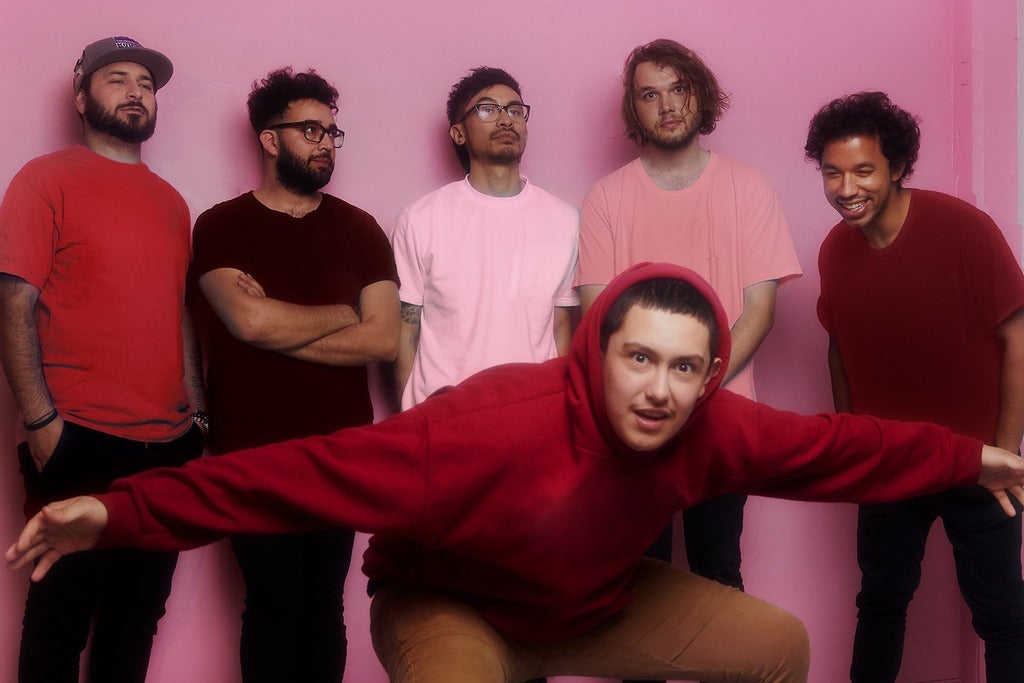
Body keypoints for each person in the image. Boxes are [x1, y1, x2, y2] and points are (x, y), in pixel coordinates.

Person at [10, 262, 1024, 683]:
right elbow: (287, 475)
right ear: (595, 350)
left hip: (593, 603)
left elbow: (843, 447)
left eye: (684, 366)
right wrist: (119, 506)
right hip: (455, 604)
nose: (661, 389)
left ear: (707, 375)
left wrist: (967, 453)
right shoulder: (489, 422)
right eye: (639, 357)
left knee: (778, 642)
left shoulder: (713, 428)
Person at [575, 40, 801, 645]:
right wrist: (657, 393)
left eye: (679, 89)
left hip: (722, 420)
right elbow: (599, 318)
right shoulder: (605, 198)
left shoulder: (748, 189)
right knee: (635, 585)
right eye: (649, 94)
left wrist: (694, 390)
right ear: (634, 110)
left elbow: (759, 311)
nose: (667, 105)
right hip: (631, 428)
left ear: (700, 96)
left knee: (718, 577)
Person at [0, 36, 205, 682]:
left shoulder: (172, 201)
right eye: (117, 79)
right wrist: (41, 426)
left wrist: (197, 416)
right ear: (82, 94)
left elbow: (177, 314)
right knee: (60, 618)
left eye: (145, 84)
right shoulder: (45, 177)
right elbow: (13, 300)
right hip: (76, 438)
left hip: (167, 447)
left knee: (136, 619)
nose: (135, 92)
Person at [187, 67, 400, 681]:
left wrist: (279, 324)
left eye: (333, 131)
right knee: (273, 604)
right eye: (310, 129)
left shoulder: (361, 230)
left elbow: (383, 337)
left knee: (323, 609)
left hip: (338, 455)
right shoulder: (220, 225)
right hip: (252, 456)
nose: (325, 142)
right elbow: (248, 323)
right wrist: (341, 315)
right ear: (269, 138)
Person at [805, 91, 1024, 682]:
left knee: (1003, 616)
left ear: (897, 167)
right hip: (889, 462)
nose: (846, 187)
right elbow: (838, 347)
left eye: (863, 170)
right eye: (832, 172)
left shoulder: (964, 229)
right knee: (879, 604)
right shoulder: (833, 250)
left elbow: (1018, 337)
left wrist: (1002, 452)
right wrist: (851, 444)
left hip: (978, 459)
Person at [392, 66, 578, 410]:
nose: (506, 120)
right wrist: (409, 421)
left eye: (515, 110)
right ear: (458, 133)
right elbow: (407, 333)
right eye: (488, 109)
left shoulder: (565, 220)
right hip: (442, 417)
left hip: (531, 414)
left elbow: (561, 328)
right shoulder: (420, 218)